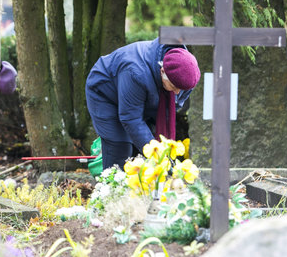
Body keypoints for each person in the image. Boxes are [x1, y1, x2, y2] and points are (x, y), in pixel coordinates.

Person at [85, 38, 201, 170]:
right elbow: (131, 118)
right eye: (174, 87)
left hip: (143, 96)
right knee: (121, 146)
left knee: (150, 140)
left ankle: (147, 189)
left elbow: (170, 110)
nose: (177, 92)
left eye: (182, 89)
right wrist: (157, 155)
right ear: (162, 71)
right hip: (105, 94)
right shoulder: (136, 72)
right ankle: (111, 187)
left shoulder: (187, 76)